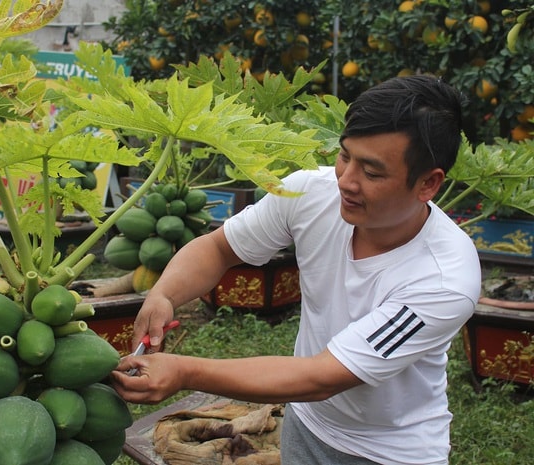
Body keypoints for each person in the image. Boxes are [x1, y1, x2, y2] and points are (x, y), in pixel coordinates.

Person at [111, 74, 481, 465]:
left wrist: (184, 372)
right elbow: (218, 249)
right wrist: (163, 294)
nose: (346, 181)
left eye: (371, 172)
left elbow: (322, 376)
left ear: (428, 183)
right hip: (305, 421)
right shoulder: (309, 193)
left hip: (387, 452)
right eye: (344, 155)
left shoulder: (444, 279)